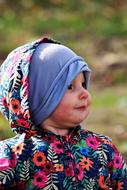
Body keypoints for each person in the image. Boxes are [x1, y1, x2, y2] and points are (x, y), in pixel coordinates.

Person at [0, 36, 126, 190]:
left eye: (83, 84)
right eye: (69, 87)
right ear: (36, 97)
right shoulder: (11, 156)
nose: (84, 93)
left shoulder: (103, 149)